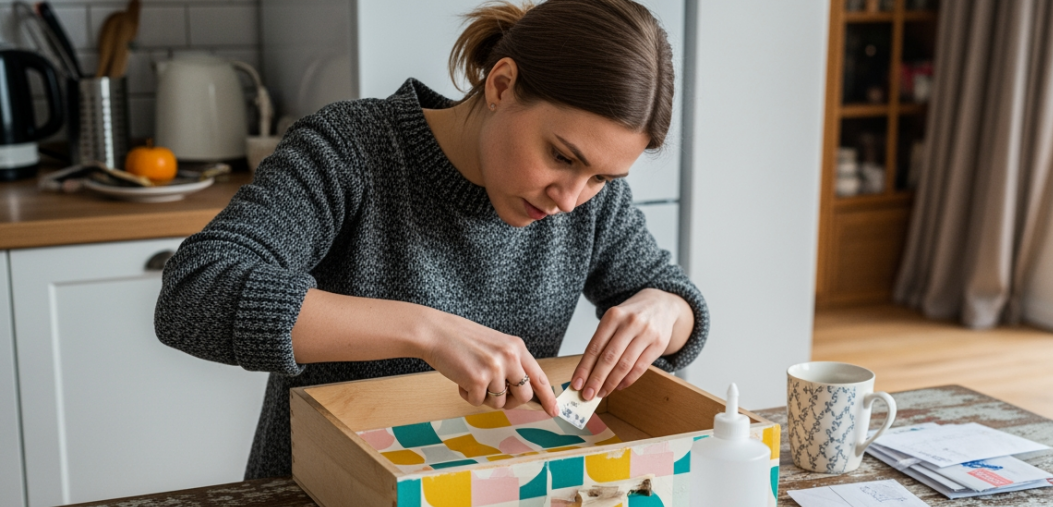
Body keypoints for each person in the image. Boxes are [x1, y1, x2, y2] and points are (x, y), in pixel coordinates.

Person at [155, 0, 710, 479]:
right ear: (501, 85)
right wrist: (425, 330)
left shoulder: (590, 201)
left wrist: (662, 310)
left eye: (600, 178)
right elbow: (194, 294)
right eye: (562, 157)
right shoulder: (351, 149)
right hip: (319, 505)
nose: (568, 199)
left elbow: (675, 303)